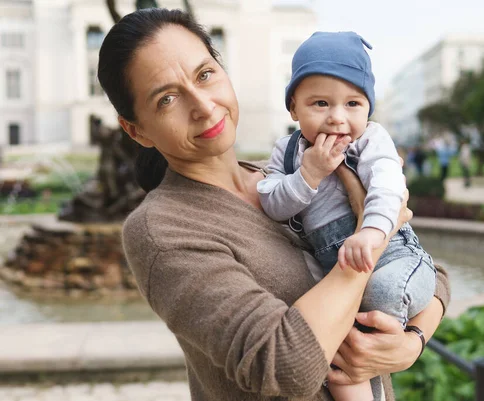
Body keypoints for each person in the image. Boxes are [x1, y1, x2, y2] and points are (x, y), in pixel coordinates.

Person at [98, 9, 451, 401]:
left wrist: (411, 342)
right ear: (136, 129)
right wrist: (372, 240)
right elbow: (288, 366)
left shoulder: (287, 175)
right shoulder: (162, 230)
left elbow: (429, 270)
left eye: (205, 74)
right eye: (167, 98)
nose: (203, 106)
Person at [258, 32, 437, 401]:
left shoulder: (371, 140)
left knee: (375, 301)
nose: (338, 118)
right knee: (339, 348)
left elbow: (390, 189)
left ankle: (380, 359)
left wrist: (371, 233)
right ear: (293, 108)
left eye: (353, 103)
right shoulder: (288, 152)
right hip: (337, 268)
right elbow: (272, 204)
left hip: (392, 257)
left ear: (368, 109)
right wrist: (308, 175)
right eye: (320, 103)